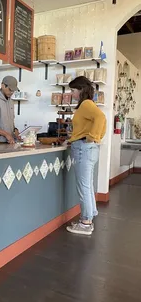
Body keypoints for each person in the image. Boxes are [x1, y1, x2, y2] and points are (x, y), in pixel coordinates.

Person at [66, 76, 106, 236]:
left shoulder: (86, 104)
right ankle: (89, 217)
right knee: (87, 186)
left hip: (84, 148)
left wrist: (92, 136)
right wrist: (92, 137)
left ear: (81, 90)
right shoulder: (87, 105)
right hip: (86, 147)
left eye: (73, 90)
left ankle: (85, 223)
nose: (71, 93)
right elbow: (97, 121)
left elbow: (101, 118)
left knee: (84, 187)